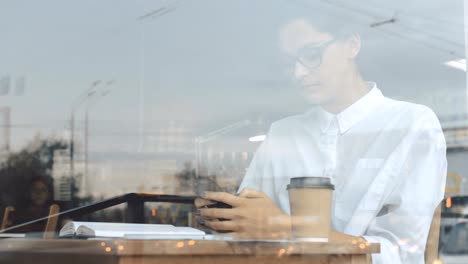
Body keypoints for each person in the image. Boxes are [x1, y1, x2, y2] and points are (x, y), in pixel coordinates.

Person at [195, 16, 447, 264]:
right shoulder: (282, 133)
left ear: (351, 45)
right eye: (289, 62)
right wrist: (225, 215)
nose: (298, 72)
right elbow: (247, 235)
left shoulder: (411, 124)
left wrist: (282, 228)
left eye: (311, 54)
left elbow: (402, 256)